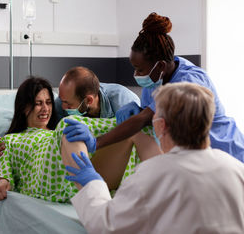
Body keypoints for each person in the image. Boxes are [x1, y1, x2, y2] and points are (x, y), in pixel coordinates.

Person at [64, 82, 244, 233]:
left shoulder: (150, 175)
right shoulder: (236, 169)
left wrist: (92, 184)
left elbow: (105, 225)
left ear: (162, 125)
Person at [65, 12, 244, 162]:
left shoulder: (189, 82)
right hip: (193, 158)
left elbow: (144, 118)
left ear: (160, 66)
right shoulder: (155, 79)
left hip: (226, 151)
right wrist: (139, 109)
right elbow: (148, 115)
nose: (136, 74)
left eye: (140, 69)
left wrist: (97, 142)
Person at [0, 77, 152, 202]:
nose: (45, 109)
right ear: (24, 107)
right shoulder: (10, 140)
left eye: (48, 102)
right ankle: (93, 200)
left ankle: (166, 190)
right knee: (70, 126)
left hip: (85, 171)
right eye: (38, 103)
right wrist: (1, 184)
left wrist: (137, 119)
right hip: (47, 180)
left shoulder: (57, 131)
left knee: (136, 129)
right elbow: (3, 172)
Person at [0, 66, 140, 159]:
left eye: (67, 103)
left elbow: (137, 142)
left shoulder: (123, 102)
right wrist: (8, 144)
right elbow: (38, 126)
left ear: (88, 101)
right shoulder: (60, 105)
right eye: (61, 100)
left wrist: (96, 142)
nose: (61, 107)